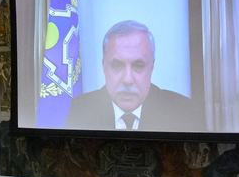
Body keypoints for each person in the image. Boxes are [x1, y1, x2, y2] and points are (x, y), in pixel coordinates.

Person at [65, 20, 194, 132]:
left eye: (138, 66)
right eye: (117, 65)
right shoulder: (81, 109)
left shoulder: (180, 111)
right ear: (104, 66)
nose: (127, 80)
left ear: (152, 67)